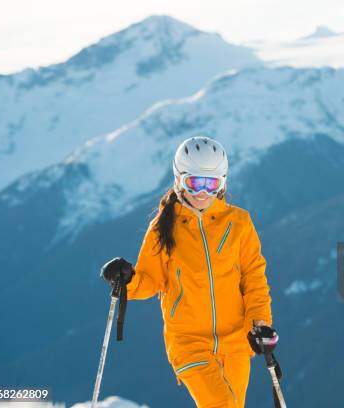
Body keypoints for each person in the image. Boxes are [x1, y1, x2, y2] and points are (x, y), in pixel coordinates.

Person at [101, 136, 277, 407]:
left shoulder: (239, 223)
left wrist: (259, 324)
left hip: (236, 343)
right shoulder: (163, 228)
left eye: (212, 183)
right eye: (194, 182)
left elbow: (253, 278)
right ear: (179, 180)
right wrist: (128, 279)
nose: (203, 192)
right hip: (188, 342)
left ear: (223, 183)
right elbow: (151, 281)